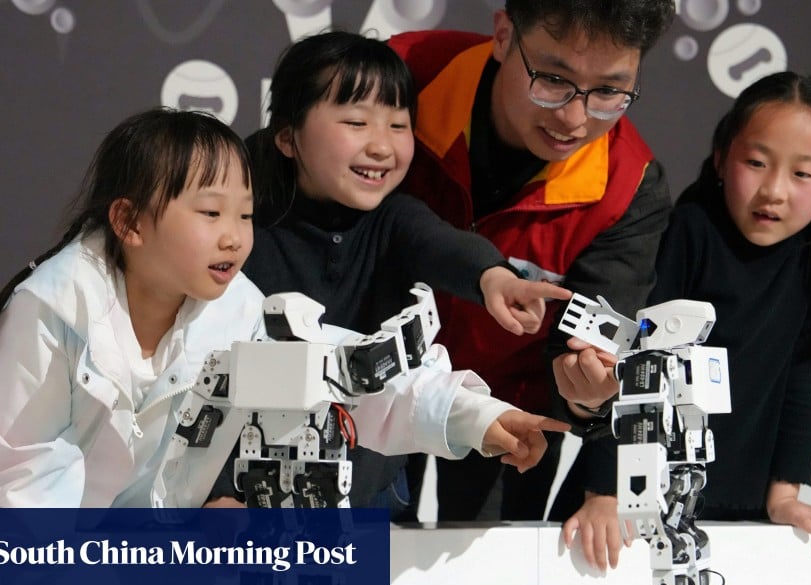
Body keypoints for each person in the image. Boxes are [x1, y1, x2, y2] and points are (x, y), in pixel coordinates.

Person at [0, 108, 566, 585]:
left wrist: (472, 415)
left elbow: (336, 375)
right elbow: (19, 458)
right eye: (209, 213)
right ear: (130, 223)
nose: (234, 237)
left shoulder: (234, 308)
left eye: (246, 215)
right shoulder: (51, 305)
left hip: (110, 540)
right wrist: (47, 580)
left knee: (269, 543)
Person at [203, 31, 571, 517]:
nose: (381, 146)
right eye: (356, 122)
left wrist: (493, 277)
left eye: (399, 125)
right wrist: (216, 488)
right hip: (240, 488)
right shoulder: (241, 224)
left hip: (368, 488)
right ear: (288, 137)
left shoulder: (395, 218)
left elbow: (440, 244)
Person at [555, 71, 811, 564]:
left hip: (741, 504)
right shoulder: (690, 229)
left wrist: (785, 496)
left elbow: (805, 372)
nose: (773, 190)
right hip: (623, 499)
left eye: (802, 174)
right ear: (721, 157)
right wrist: (605, 490)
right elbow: (635, 360)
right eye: (756, 163)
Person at [387, 0, 677, 533]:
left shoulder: (629, 185)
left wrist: (584, 396)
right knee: (345, 564)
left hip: (508, 410)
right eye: (553, 79)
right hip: (369, 383)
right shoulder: (397, 78)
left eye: (609, 91)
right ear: (503, 35)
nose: (574, 118)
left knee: (488, 578)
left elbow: (590, 351)